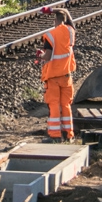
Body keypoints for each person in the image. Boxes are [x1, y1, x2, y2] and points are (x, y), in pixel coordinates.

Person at [36, 8, 77, 142]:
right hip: (66, 75)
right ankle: (69, 135)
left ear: (55, 21)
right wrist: (54, 10)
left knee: (54, 104)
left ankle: (55, 136)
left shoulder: (51, 35)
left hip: (53, 76)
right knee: (66, 105)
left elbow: (47, 56)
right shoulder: (70, 31)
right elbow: (69, 17)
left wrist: (40, 55)